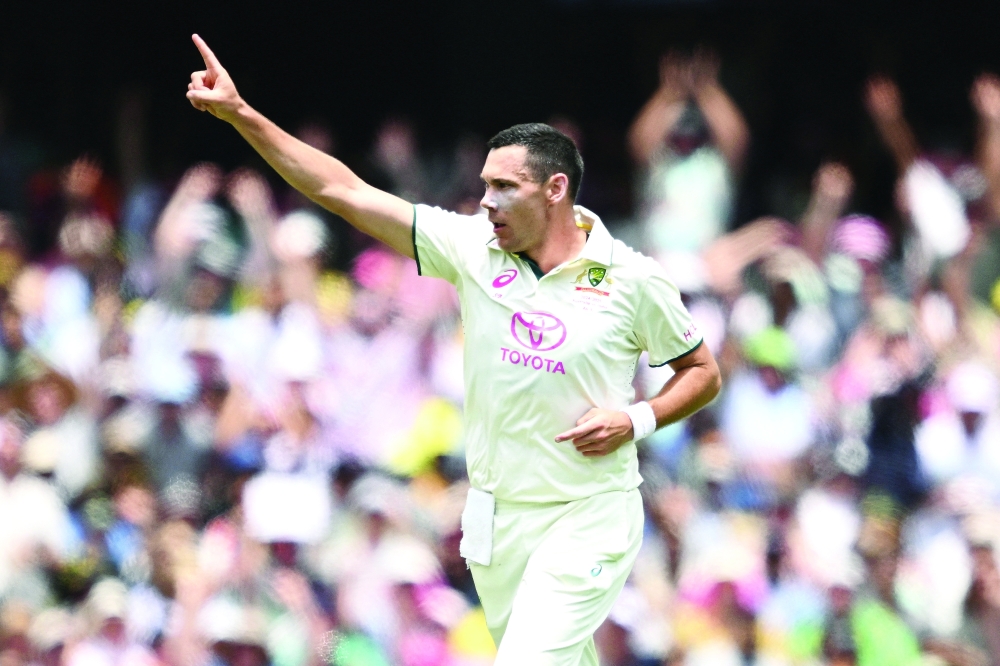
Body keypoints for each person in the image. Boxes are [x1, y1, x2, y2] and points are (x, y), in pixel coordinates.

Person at [185, 34, 721, 665]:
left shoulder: (633, 279)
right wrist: (242, 115)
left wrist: (635, 419)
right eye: (485, 185)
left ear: (555, 190)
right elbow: (344, 191)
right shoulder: (471, 248)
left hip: (588, 516)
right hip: (498, 519)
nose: (486, 200)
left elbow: (702, 372)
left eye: (504, 187)